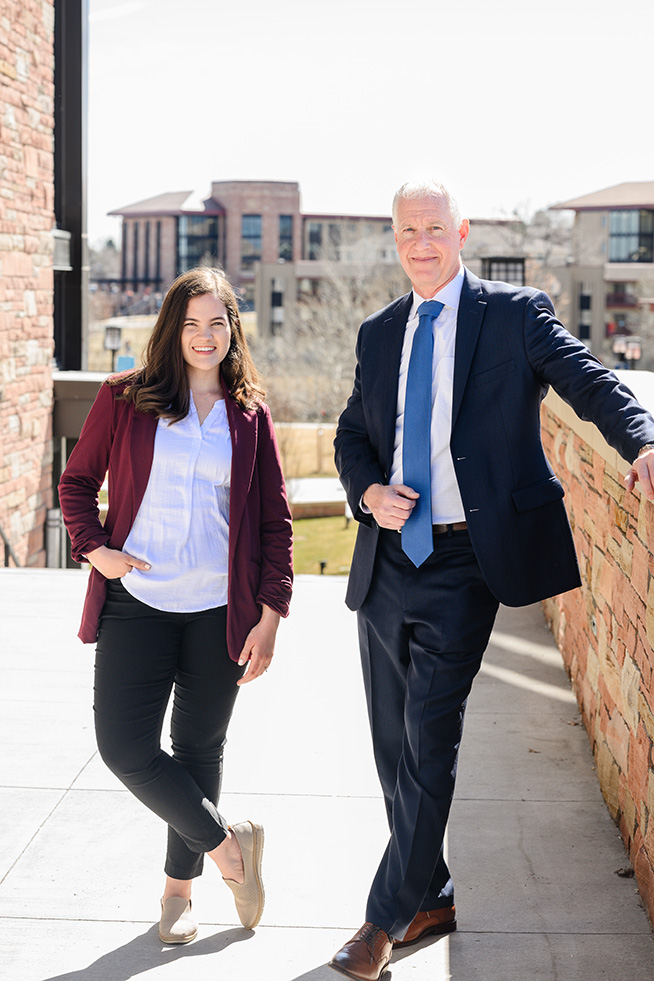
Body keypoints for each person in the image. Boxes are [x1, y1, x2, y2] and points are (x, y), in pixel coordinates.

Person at [330, 179, 654, 980]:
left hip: (467, 559)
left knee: (430, 739)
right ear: (395, 237)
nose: (421, 244)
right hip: (386, 559)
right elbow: (351, 431)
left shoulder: (512, 315)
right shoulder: (378, 333)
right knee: (390, 743)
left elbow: (589, 378)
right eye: (408, 231)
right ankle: (431, 889)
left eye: (434, 228)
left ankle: (382, 919)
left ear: (462, 230)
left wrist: (643, 438)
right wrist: (367, 491)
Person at [59, 267, 293, 945]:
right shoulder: (126, 398)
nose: (204, 335)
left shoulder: (249, 416)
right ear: (172, 329)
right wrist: (96, 548)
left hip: (221, 609)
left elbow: (275, 523)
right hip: (137, 601)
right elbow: (77, 482)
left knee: (197, 751)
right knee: (124, 746)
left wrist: (270, 615)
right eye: (191, 323)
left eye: (217, 322)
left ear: (233, 331)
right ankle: (229, 848)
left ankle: (178, 894)